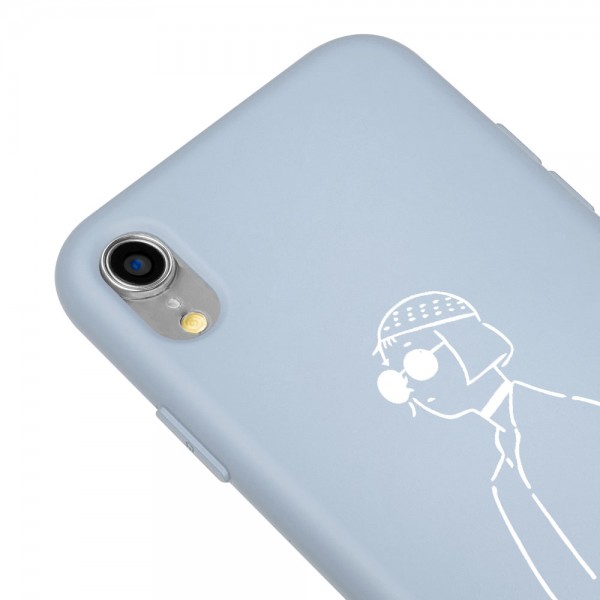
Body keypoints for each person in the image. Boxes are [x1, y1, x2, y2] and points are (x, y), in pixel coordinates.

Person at [372, 291, 599, 600]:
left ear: (464, 343)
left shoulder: (577, 420)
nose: (409, 386)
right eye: (395, 379)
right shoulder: (504, 482)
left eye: (417, 362)